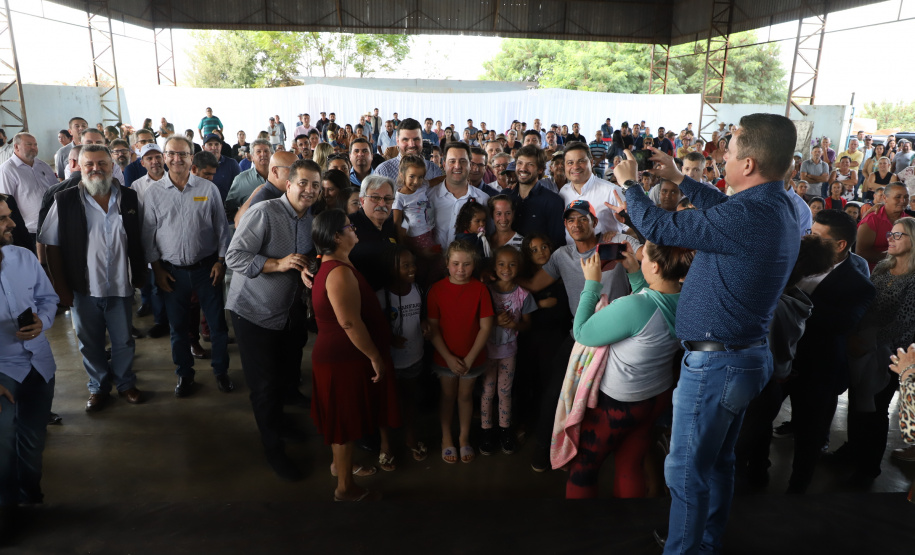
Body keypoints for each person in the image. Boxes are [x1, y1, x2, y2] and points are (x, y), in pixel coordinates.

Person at [614, 113, 801, 554]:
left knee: (683, 470)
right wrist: (680, 178)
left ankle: (683, 550)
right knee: (715, 463)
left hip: (718, 363)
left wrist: (629, 186)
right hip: (740, 357)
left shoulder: (752, 215)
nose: (723, 158)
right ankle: (703, 542)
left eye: (730, 152)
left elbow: (659, 227)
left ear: (750, 164)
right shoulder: (775, 205)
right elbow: (724, 210)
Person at [520, 200, 642, 472]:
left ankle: (595, 453)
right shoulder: (562, 255)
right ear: (565, 225)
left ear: (595, 222)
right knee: (557, 391)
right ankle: (546, 449)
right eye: (571, 220)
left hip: (621, 334)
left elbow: (649, 255)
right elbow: (532, 283)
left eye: (583, 219)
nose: (577, 224)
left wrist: (632, 225)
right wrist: (497, 278)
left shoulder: (616, 242)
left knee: (609, 398)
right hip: (583, 332)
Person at [566, 241, 692, 499]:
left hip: (619, 403)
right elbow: (653, 304)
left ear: (655, 266)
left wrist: (591, 284)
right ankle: (630, 526)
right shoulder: (687, 298)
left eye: (642, 256)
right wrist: (635, 272)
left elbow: (582, 333)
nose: (638, 256)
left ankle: (576, 530)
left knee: (584, 468)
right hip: (656, 395)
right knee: (630, 463)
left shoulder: (635, 307)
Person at [225, 158, 320, 481]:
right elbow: (234, 256)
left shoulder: (311, 220)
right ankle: (273, 448)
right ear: (288, 183)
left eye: (315, 185)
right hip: (253, 311)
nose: (309, 190)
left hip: (288, 312)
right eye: (303, 183)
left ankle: (278, 422)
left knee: (280, 377)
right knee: (263, 386)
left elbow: (304, 258)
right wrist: (277, 265)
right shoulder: (264, 213)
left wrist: (306, 267)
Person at [40, 144, 147, 412]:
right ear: (78, 167)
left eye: (102, 163)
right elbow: (51, 246)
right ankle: (98, 387)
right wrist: (60, 288)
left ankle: (125, 383)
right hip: (83, 288)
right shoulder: (64, 201)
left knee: (123, 340)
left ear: (113, 167)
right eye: (89, 164)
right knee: (90, 342)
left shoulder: (130, 198)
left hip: (120, 284)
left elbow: (141, 238)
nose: (96, 169)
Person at [309, 209, 400, 501]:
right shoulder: (337, 272)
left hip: (341, 356)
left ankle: (340, 467)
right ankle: (345, 488)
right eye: (349, 227)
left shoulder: (336, 264)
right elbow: (349, 322)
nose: (355, 230)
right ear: (336, 236)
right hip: (342, 358)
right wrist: (374, 356)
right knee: (344, 424)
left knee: (341, 419)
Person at [142, 136, 234, 397]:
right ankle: (184, 374)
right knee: (178, 329)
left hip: (207, 270)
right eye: (171, 154)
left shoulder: (207, 189)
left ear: (192, 158)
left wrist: (220, 261)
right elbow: (148, 235)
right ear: (163, 157)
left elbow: (221, 229)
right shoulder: (153, 194)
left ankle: (221, 371)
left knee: (217, 326)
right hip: (172, 274)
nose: (177, 159)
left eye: (183, 154)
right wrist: (157, 270)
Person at [0, 194, 59, 541]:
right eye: (3, 219)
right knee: (3, 448)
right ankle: (6, 513)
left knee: (33, 441)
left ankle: (30, 499)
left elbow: (47, 298)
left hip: (39, 364)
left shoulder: (22, 257)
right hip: (3, 371)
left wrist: (42, 321)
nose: (12, 224)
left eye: (9, 216)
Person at [842, 217, 915, 484]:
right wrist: (854, 333)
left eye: (899, 236)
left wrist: (868, 341)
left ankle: (868, 467)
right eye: (891, 235)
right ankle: (852, 450)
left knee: (876, 408)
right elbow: (866, 303)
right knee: (857, 402)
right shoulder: (884, 268)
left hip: (891, 353)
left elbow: (906, 323)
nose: (891, 240)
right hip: (864, 344)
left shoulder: (913, 278)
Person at [428, 240, 494, 464]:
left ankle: (463, 437)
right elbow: (433, 328)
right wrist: (448, 358)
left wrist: (469, 358)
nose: (460, 270)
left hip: (472, 357)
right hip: (445, 357)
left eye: (466, 264)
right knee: (447, 397)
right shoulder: (436, 290)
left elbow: (486, 327)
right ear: (446, 264)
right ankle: (447, 438)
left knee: (465, 396)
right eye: (455, 264)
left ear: (474, 265)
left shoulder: (480, 290)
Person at [478, 245, 535, 457]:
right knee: (487, 392)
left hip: (509, 353)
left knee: (504, 393)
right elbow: (478, 319)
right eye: (501, 264)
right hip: (487, 352)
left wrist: (514, 326)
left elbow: (527, 324)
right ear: (494, 266)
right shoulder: (486, 291)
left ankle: (505, 431)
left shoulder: (523, 295)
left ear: (519, 267)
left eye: (512, 264)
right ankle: (486, 432)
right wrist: (493, 320)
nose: (506, 268)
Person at [377, 246, 429, 465]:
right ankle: (386, 444)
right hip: (390, 361)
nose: (412, 269)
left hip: (414, 357)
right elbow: (373, 326)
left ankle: (411, 437)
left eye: (413, 264)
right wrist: (388, 337)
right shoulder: (381, 295)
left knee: (410, 400)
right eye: (405, 265)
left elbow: (423, 316)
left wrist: (425, 324)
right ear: (392, 268)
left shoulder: (418, 289)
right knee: (386, 403)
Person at [558, 142, 625, 245]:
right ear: (564, 166)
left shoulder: (612, 191)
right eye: (570, 163)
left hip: (605, 258)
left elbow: (633, 229)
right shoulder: (563, 192)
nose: (575, 167)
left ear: (591, 162)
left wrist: (618, 236)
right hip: (571, 258)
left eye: (581, 161)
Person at [0, 133, 57, 253]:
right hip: (31, 230)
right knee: (38, 263)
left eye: (35, 145)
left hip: (54, 224)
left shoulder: (43, 166)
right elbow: (7, 203)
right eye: (29, 144)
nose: (34, 147)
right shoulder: (8, 170)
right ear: (16, 147)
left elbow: (55, 190)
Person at [349, 175, 399, 292]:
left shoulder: (394, 224)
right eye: (375, 198)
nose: (382, 204)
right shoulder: (348, 226)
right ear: (362, 200)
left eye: (387, 199)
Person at [857, 182, 909, 271]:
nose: (903, 201)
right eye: (898, 197)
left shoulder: (910, 220)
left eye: (906, 197)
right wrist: (897, 256)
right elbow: (861, 253)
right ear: (885, 198)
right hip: (875, 272)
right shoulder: (872, 220)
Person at [392, 154, 437, 254]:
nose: (416, 181)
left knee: (428, 261)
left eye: (420, 177)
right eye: (412, 176)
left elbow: (437, 181)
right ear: (402, 175)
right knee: (432, 256)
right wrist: (401, 244)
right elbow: (397, 222)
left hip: (431, 229)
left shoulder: (423, 186)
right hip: (417, 235)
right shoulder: (400, 197)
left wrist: (450, 177)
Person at [225, 139, 272, 221]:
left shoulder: (281, 177)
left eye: (266, 151)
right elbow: (229, 207)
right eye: (258, 151)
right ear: (252, 157)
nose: (263, 154)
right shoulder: (241, 179)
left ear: (271, 154)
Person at [202, 133, 241, 202]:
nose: (214, 147)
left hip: (227, 209)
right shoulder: (198, 166)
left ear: (221, 146)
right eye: (210, 144)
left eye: (217, 144)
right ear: (203, 147)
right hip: (204, 208)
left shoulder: (232, 164)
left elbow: (240, 187)